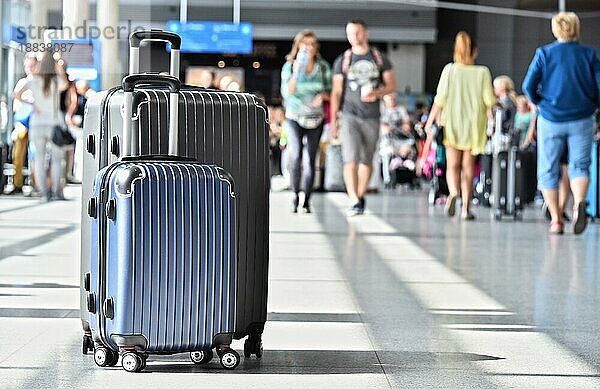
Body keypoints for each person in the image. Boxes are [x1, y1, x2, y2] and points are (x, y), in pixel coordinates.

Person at [522, 12, 600, 234]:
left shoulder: (544, 53)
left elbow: (528, 86)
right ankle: (579, 204)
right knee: (580, 165)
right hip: (583, 119)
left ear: (556, 30)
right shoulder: (589, 54)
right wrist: (594, 104)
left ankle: (556, 220)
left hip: (550, 119)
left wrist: (540, 103)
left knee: (548, 168)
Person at [419, 31, 496, 220]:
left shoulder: (449, 70)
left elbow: (440, 99)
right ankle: (465, 209)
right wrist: (493, 121)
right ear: (475, 51)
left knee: (452, 166)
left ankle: (453, 192)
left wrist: (429, 122)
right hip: (473, 125)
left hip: (452, 123)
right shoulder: (482, 72)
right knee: (468, 168)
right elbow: (489, 101)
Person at [330, 19, 396, 216]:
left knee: (367, 160)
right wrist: (334, 121)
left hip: (372, 116)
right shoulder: (343, 60)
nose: (354, 37)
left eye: (357, 33)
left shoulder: (379, 58)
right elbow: (336, 93)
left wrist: (376, 94)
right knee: (350, 158)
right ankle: (354, 199)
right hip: (349, 115)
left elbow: (392, 86)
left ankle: (359, 197)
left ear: (366, 33)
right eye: (350, 34)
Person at [281, 30, 332, 213]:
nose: (308, 47)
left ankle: (307, 200)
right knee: (295, 156)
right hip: (294, 116)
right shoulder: (289, 66)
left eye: (311, 44)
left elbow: (331, 92)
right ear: (298, 46)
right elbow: (287, 92)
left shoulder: (323, 67)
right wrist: (296, 72)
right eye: (305, 44)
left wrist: (322, 96)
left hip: (315, 118)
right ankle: (295, 194)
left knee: (311, 159)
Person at [13, 52, 67, 202]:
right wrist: (59, 65)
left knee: (39, 158)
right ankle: (56, 191)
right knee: (56, 159)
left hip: (37, 123)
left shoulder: (32, 79)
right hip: (53, 124)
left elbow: (16, 94)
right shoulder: (56, 80)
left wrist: (32, 103)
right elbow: (65, 84)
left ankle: (44, 193)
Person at [9, 54, 37, 194]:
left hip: (36, 121)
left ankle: (34, 183)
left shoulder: (38, 81)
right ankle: (17, 183)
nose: (29, 68)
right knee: (18, 154)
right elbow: (15, 102)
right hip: (22, 122)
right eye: (27, 66)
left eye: (32, 65)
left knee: (34, 153)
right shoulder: (22, 82)